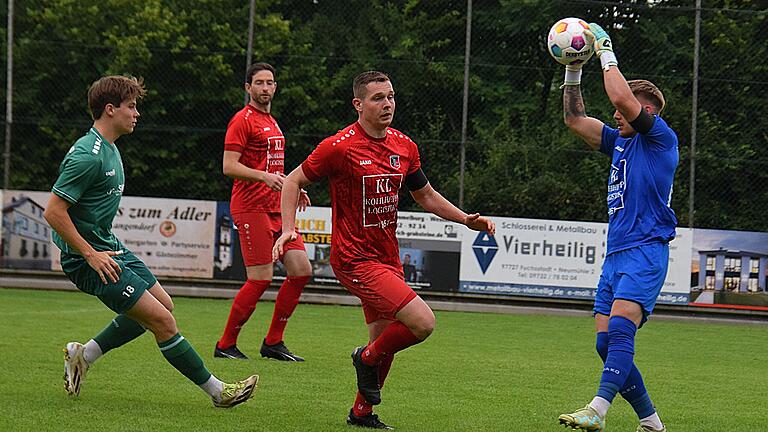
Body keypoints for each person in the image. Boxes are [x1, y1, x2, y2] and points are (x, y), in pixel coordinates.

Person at [272, 71, 495, 429]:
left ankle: (361, 412)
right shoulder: (339, 146)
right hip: (353, 258)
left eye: (390, 96)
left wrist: (465, 219)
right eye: (378, 98)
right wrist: (287, 229)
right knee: (421, 322)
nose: (387, 104)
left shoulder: (404, 146)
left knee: (385, 338)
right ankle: (365, 358)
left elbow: (425, 195)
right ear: (358, 105)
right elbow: (294, 179)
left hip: (387, 255)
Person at [43, 75, 258, 407]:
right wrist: (90, 255)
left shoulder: (110, 149)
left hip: (109, 246)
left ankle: (84, 354)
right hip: (88, 258)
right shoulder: (88, 155)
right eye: (131, 106)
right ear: (110, 110)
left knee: (164, 305)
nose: (136, 113)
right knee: (163, 321)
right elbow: (54, 211)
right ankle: (218, 392)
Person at [557, 23, 677, 432]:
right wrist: (574, 68)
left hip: (647, 249)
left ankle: (598, 410)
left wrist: (605, 49)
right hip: (617, 253)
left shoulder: (661, 140)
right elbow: (575, 119)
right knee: (605, 343)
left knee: (622, 333)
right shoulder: (621, 142)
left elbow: (621, 97)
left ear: (649, 114)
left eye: (626, 112)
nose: (616, 115)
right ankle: (651, 422)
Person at [215, 62, 312, 362]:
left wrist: (292, 187)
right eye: (259, 83)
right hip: (251, 207)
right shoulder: (242, 120)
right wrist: (264, 177)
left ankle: (273, 342)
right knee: (260, 279)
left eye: (270, 82)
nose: (265, 88)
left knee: (301, 270)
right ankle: (225, 344)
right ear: (248, 88)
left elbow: (274, 168)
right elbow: (228, 166)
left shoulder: (272, 122)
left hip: (275, 209)